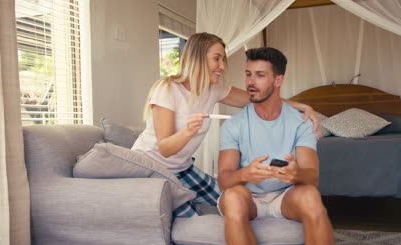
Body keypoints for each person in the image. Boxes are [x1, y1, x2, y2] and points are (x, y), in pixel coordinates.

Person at [132, 32, 319, 217]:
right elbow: (165, 148)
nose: (222, 66)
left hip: (183, 168)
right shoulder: (167, 89)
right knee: (195, 220)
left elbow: (259, 98)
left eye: (223, 60)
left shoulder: (214, 88)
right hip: (152, 167)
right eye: (217, 59)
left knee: (230, 198)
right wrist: (188, 131)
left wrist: (302, 106)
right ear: (197, 57)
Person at [217, 47, 334, 245]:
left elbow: (312, 177)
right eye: (248, 74)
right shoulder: (233, 125)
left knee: (310, 194)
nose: (251, 81)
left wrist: (295, 173)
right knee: (232, 197)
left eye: (260, 75)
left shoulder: (301, 122)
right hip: (248, 198)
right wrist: (245, 174)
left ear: (278, 80)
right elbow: (224, 180)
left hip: (285, 197)